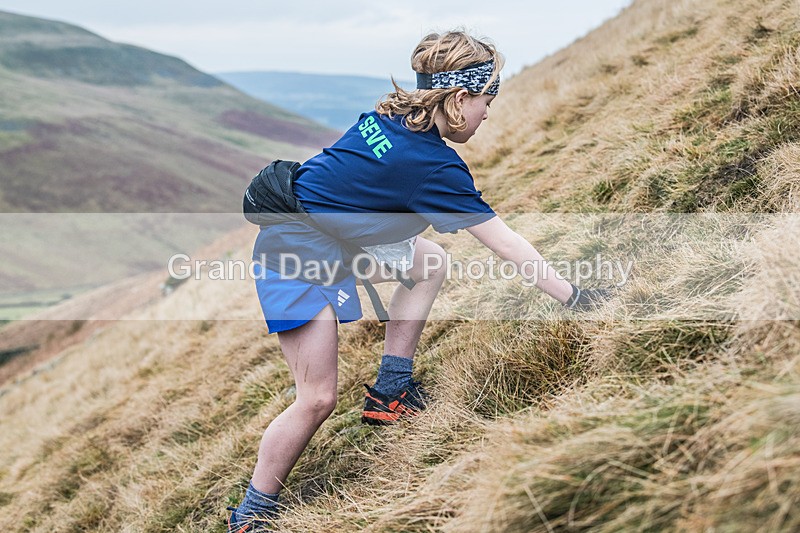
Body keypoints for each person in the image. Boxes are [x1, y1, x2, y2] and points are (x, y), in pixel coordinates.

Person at [228, 30, 609, 532]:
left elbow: (351, 185)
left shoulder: (391, 118)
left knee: (428, 261)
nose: (488, 113)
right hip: (292, 257)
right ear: (457, 99)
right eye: (486, 100)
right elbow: (506, 244)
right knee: (317, 397)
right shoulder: (434, 167)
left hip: (329, 236)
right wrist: (576, 297)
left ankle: (391, 390)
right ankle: (251, 514)